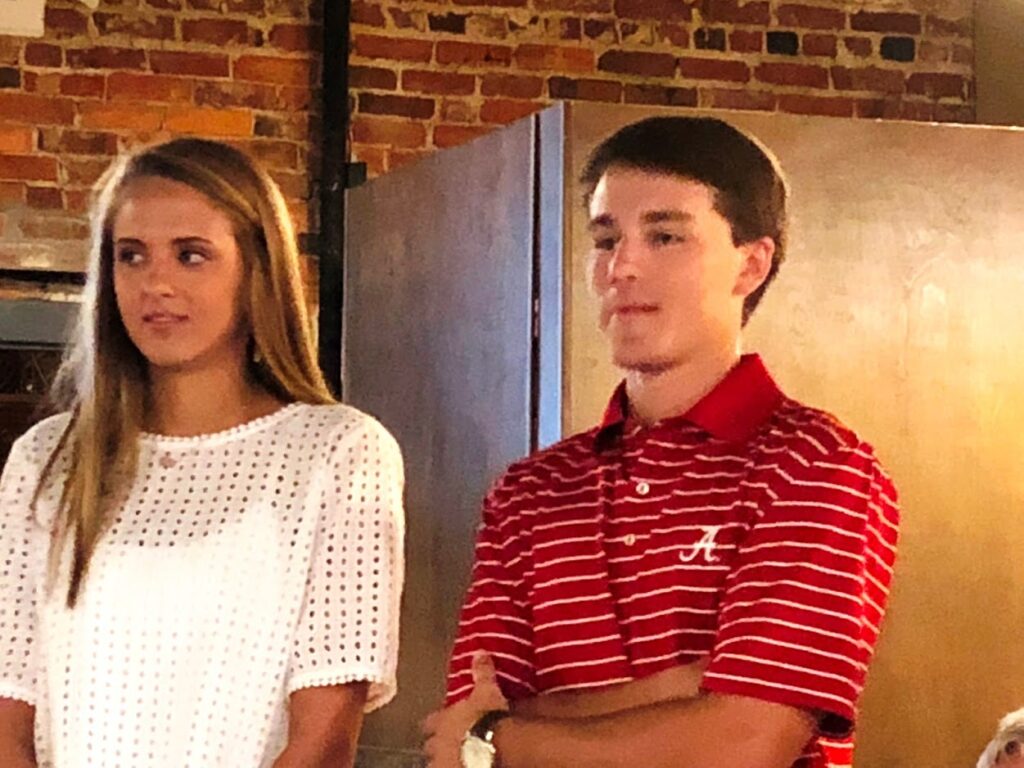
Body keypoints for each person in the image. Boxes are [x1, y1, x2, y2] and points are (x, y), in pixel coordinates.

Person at [423, 116, 900, 768]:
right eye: (605, 238)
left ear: (751, 264)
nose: (621, 266)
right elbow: (465, 719)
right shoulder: (528, 492)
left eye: (666, 235)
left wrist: (509, 734)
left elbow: (745, 744)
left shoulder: (813, 464)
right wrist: (688, 688)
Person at [0, 138, 405, 768]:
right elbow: (7, 713)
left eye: (191, 256)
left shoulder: (338, 454)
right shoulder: (46, 461)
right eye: (130, 257)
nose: (155, 283)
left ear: (257, 270)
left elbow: (322, 742)